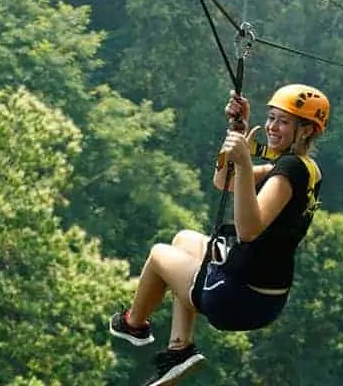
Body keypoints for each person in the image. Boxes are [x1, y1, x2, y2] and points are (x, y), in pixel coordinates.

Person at [108, 83, 330, 386]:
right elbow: (223, 181)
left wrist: (243, 161)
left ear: (305, 131)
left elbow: (249, 230)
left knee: (160, 254)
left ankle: (134, 324)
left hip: (238, 297)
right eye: (271, 118)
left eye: (283, 121)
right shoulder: (305, 167)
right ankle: (179, 350)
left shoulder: (289, 170)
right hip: (264, 296)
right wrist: (236, 132)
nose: (271, 127)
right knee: (184, 240)